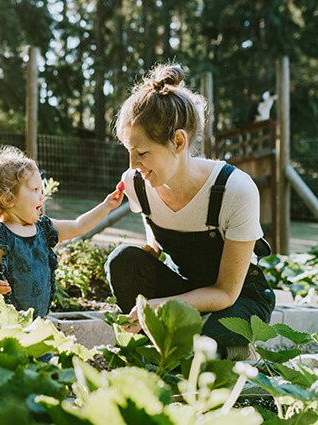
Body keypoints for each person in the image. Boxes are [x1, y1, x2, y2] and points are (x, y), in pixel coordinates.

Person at [105, 63, 275, 360]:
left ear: (179, 141)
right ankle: (172, 348)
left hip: (237, 301)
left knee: (195, 332)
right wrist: (153, 250)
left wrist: (166, 307)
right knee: (123, 260)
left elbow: (225, 293)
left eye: (142, 153)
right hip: (188, 289)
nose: (133, 164)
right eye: (128, 150)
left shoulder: (235, 189)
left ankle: (235, 351)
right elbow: (156, 228)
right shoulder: (137, 184)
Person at [0, 146, 124, 318]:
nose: (42, 196)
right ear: (8, 198)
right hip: (5, 319)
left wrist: (107, 206)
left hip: (38, 318)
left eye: (41, 190)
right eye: (35, 190)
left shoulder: (43, 228)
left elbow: (78, 226)